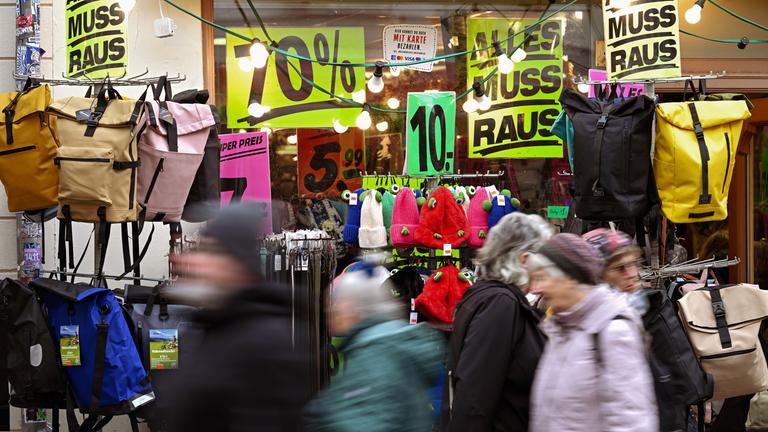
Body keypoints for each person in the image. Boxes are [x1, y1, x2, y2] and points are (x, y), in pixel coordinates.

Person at [165, 203, 311, 432]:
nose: (197, 262)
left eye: (212, 252)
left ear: (236, 264)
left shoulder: (265, 341)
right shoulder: (214, 326)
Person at [527, 233, 658, 432]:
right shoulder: (561, 327)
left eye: (542, 278)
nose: (536, 289)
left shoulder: (612, 330)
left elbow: (632, 420)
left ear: (569, 278)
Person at [442, 213, 553, 432]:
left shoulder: (490, 297)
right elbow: (476, 393)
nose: (546, 269)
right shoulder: (500, 303)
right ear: (524, 259)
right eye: (544, 260)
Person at [304, 263, 443, 432]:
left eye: (336, 303)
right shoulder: (382, 342)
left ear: (354, 307)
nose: (330, 310)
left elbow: (364, 421)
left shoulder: (374, 354)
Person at [582, 228, 649, 314]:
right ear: (597, 276)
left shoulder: (656, 305)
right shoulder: (593, 317)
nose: (632, 274)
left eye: (635, 263)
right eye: (620, 268)